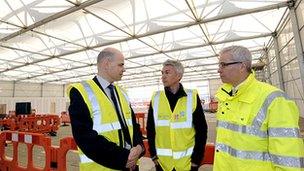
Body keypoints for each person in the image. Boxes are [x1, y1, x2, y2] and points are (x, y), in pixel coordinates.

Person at [214, 45, 304, 171]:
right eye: (219, 65)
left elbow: (288, 159)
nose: (219, 70)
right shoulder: (225, 97)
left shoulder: (274, 99)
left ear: (242, 66)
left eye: (223, 65)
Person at [67, 47, 144, 171]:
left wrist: (140, 147)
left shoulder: (122, 93)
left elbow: (133, 126)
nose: (124, 69)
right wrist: (124, 158)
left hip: (130, 166)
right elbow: (84, 137)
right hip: (102, 167)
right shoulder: (81, 92)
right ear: (107, 64)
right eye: (121, 65)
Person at [146, 59, 208, 171]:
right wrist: (154, 155)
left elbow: (201, 130)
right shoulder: (156, 98)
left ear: (179, 76)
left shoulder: (192, 96)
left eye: (167, 72)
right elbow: (150, 129)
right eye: (162, 73)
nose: (163, 76)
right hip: (163, 164)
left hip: (187, 163)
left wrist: (196, 160)